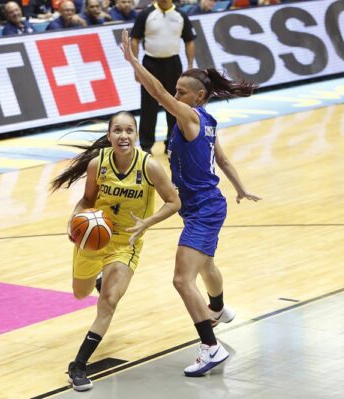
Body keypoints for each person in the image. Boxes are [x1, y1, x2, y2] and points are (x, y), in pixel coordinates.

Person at [121, 29, 260, 376]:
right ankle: (220, 308)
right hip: (206, 205)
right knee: (206, 266)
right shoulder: (206, 121)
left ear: (198, 97)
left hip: (203, 210)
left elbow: (154, 92)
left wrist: (133, 61)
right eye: (176, 91)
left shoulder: (190, 116)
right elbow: (223, 160)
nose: (175, 95)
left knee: (183, 281)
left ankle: (210, 347)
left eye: (182, 92)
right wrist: (240, 188)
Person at [50, 111, 181, 391]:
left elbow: (173, 202)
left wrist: (147, 223)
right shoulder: (98, 164)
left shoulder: (150, 166)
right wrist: (75, 221)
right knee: (80, 293)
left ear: (136, 135)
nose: (124, 136)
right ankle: (98, 280)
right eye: (118, 131)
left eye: (129, 131)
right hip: (94, 237)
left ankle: (78, 366)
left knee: (108, 300)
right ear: (109, 136)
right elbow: (86, 201)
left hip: (126, 242)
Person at [130, 0, 195, 154]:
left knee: (175, 104)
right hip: (151, 64)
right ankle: (146, 146)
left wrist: (190, 65)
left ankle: (172, 143)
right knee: (148, 106)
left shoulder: (181, 15)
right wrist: (136, 67)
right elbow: (135, 39)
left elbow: (189, 40)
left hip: (173, 63)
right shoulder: (146, 14)